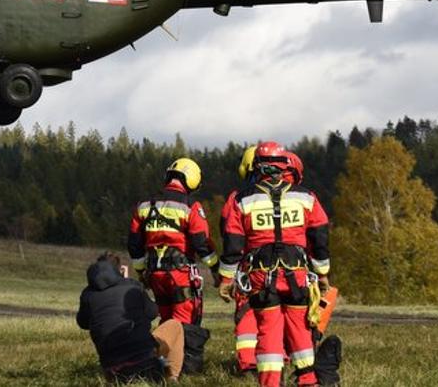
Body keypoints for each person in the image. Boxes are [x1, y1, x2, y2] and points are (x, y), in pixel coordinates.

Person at [218, 142, 330, 387]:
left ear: (256, 166)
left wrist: (226, 280)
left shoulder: (242, 200)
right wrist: (322, 275)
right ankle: (308, 380)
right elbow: (319, 239)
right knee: (300, 328)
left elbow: (233, 244)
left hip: (261, 275)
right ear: (285, 164)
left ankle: (270, 382)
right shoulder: (306, 197)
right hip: (297, 273)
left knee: (268, 329)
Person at [128, 158, 216, 326]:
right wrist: (216, 268)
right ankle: (180, 344)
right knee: (184, 322)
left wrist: (141, 271)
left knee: (166, 320)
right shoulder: (190, 206)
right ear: (192, 180)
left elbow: (134, 243)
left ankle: (162, 344)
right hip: (180, 273)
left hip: (155, 273)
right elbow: (201, 242)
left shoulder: (144, 205)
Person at [78, 252, 185, 382]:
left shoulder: (88, 294)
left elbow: (83, 322)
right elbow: (152, 312)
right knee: (175, 325)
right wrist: (127, 281)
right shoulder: (132, 286)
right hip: (144, 362)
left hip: (111, 369)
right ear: (119, 270)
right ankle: (171, 378)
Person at [220, 145, 262, 377]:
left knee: (247, 313)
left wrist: (226, 276)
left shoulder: (237, 199)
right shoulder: (290, 196)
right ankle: (281, 358)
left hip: (249, 269)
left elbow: (228, 234)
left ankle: (249, 364)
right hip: (287, 267)